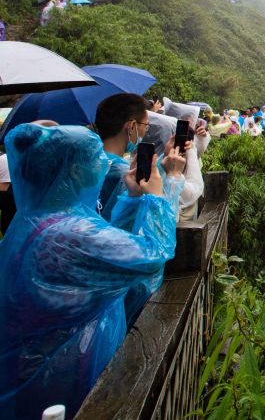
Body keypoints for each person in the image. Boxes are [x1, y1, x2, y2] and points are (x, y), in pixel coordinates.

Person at [0, 124, 184, 419]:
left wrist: (135, 197)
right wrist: (163, 192)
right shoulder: (68, 234)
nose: (103, 163)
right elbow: (152, 254)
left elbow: (113, 239)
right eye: (95, 156)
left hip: (38, 376)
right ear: (74, 172)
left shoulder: (44, 220)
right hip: (57, 388)